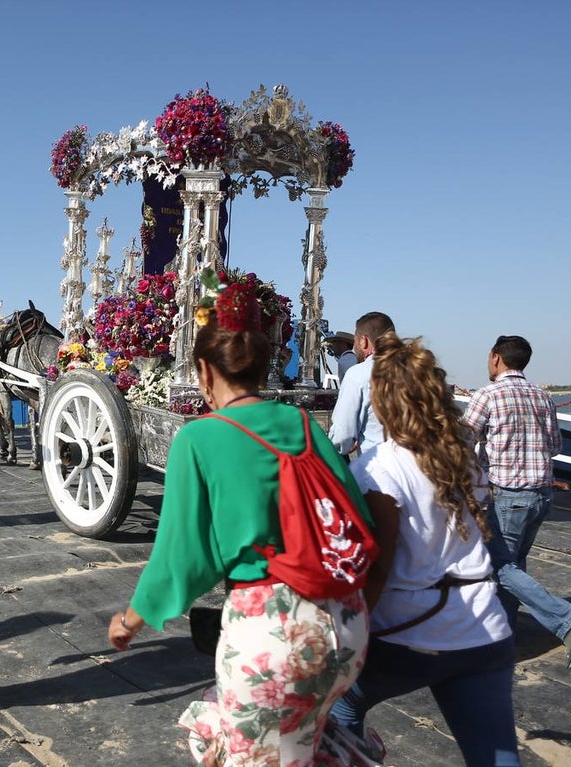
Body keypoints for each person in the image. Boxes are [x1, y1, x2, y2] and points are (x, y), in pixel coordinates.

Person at [107, 281, 370, 765]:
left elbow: (182, 558)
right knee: (304, 747)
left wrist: (130, 619)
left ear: (204, 371)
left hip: (275, 632)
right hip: (345, 624)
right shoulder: (305, 425)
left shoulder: (200, 437)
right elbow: (356, 515)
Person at [329, 333, 520, 767]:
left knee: (341, 705)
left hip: (409, 635)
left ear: (384, 401)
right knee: (495, 756)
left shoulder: (378, 468)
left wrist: (346, 638)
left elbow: (379, 565)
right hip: (482, 630)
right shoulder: (462, 456)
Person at [462, 335, 571, 669]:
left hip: (508, 495)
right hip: (542, 494)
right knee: (515, 564)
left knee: (499, 566)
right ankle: (504, 633)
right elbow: (555, 446)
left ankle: (567, 619)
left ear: (495, 358)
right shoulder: (543, 396)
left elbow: (462, 441)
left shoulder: (487, 395)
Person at [328, 311, 395, 458]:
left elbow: (342, 436)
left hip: (380, 468)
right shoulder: (418, 369)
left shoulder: (358, 374)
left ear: (364, 341)